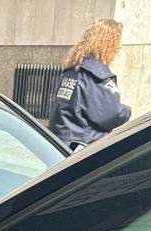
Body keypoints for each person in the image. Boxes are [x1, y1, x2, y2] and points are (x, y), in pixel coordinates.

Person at [49, 18, 132, 150]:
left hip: (62, 142)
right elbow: (110, 115)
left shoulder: (72, 71)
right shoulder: (96, 75)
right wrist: (127, 111)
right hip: (84, 147)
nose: (119, 47)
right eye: (117, 41)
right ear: (107, 43)